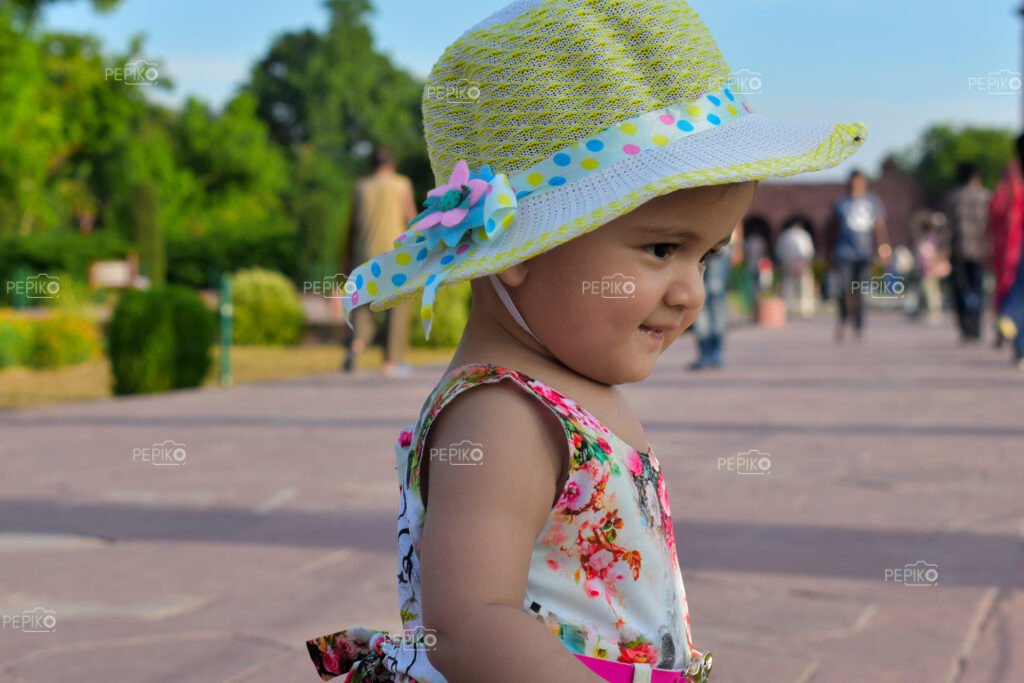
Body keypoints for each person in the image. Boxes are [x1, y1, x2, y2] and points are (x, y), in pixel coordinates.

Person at [305, 2, 868, 681]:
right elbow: (466, 622)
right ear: (520, 247)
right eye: (662, 248)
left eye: (708, 258)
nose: (690, 291)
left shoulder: (565, 391)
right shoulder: (500, 415)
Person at [342, 145, 418, 376]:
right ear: (391, 164)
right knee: (398, 303)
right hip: (394, 253)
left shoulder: (360, 187)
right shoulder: (401, 184)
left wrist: (346, 258)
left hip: (363, 252)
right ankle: (391, 361)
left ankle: (357, 345)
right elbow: (411, 219)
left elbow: (352, 227)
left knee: (363, 305)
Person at [828, 170, 890, 342]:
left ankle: (859, 326)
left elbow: (879, 227)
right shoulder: (841, 203)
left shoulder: (873, 202)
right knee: (843, 289)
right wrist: (828, 253)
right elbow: (831, 229)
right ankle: (843, 319)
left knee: (859, 291)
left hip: (864, 255)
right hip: (844, 253)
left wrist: (883, 247)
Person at [945, 162, 990, 342]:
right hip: (981, 250)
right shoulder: (986, 197)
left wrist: (942, 250)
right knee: (978, 288)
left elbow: (948, 228)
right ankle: (976, 327)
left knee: (961, 289)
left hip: (959, 251)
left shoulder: (954, 198)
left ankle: (966, 328)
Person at [990, 135, 1024, 368]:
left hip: (1013, 245)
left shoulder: (1011, 177)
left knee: (1016, 291)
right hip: (1017, 243)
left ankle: (1008, 318)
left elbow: (996, 209)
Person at [689, 223, 740, 369]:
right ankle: (705, 351)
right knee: (700, 296)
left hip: (721, 242)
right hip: (699, 240)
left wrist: (738, 243)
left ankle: (715, 350)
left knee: (715, 295)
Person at [776, 219, 816, 318]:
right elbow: (809, 250)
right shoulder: (804, 235)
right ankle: (806, 309)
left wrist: (785, 262)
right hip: (801, 261)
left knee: (788, 287)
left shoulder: (785, 235)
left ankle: (786, 308)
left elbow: (779, 250)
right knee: (804, 287)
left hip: (789, 262)